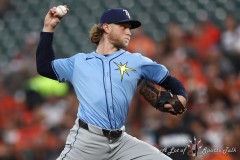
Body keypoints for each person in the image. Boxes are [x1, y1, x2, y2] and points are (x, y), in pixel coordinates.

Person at [36, 5, 188, 160]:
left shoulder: (136, 61)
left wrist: (182, 95)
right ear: (106, 28)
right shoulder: (79, 62)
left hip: (120, 142)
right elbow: (44, 67)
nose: (129, 32)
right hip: (87, 142)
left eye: (130, 28)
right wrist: (48, 28)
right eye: (123, 27)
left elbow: (169, 81)